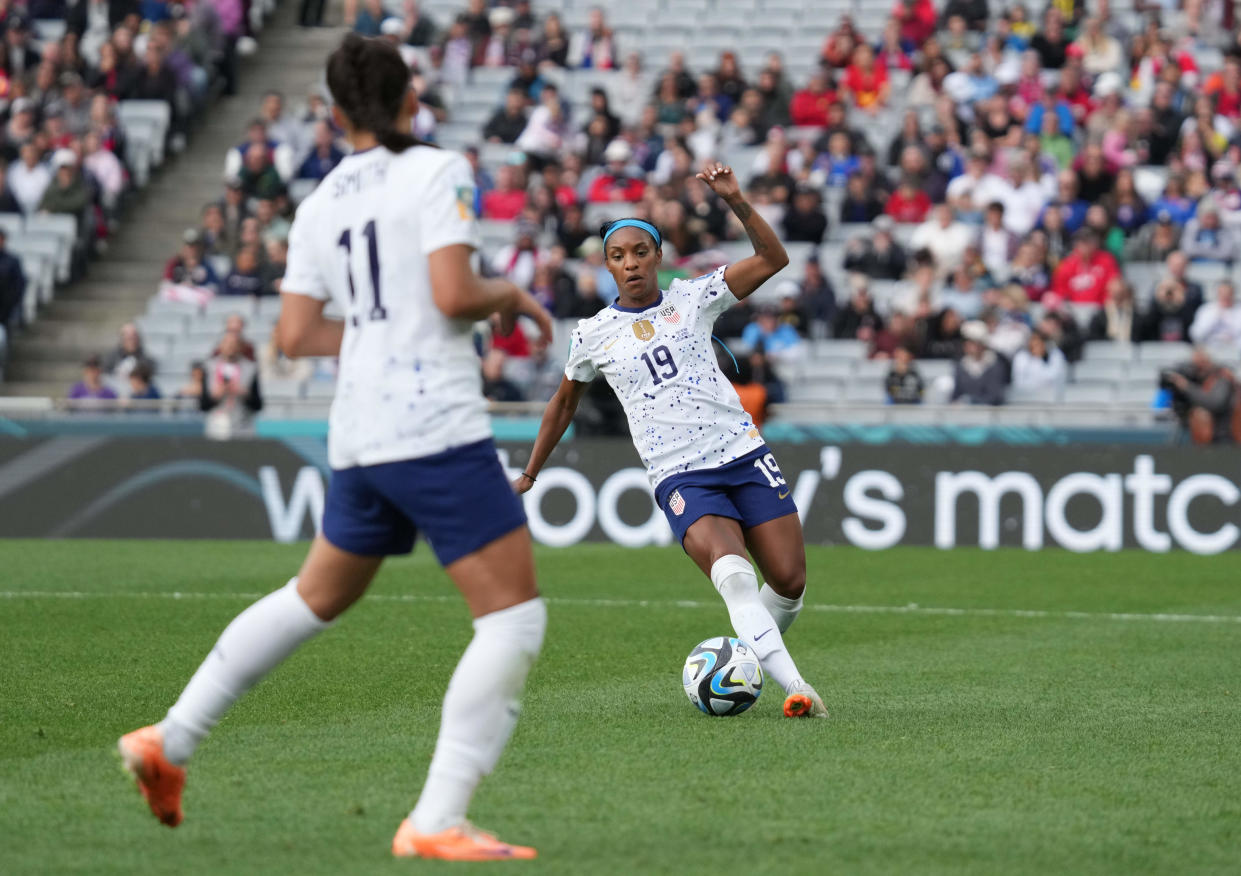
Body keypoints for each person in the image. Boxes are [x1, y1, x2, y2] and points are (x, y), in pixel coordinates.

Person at [117, 35, 554, 862]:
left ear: (335, 109)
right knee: (513, 617)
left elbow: (293, 333)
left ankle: (169, 742)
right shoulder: (435, 169)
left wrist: (382, 324)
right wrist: (514, 294)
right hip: (431, 422)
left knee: (312, 597)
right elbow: (456, 292)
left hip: (358, 428)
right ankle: (436, 819)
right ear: (407, 100)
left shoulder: (319, 203)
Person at [514, 164, 828, 721]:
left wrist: (735, 199)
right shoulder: (591, 334)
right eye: (617, 256)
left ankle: (740, 659)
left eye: (639, 251)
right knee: (733, 576)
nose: (629, 263)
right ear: (607, 264)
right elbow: (564, 402)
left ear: (657, 255)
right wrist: (531, 472)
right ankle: (797, 687)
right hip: (680, 474)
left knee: (789, 582)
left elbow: (776, 260)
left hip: (743, 453)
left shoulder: (694, 297)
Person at [1161, 349, 1239, 444]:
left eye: (1198, 366)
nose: (1196, 371)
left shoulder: (1222, 378)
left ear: (1206, 363)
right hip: (1206, 437)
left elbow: (1214, 403)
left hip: (1224, 437)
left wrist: (1186, 386)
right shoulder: (1200, 381)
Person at [951, 321, 1006, 405]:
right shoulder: (961, 365)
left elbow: (994, 397)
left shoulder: (994, 365)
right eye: (966, 342)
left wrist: (971, 401)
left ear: (982, 344)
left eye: (972, 342)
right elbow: (956, 393)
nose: (967, 345)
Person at [1189, 281, 1241, 350]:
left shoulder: (1239, 310)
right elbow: (1195, 334)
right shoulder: (1206, 309)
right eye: (1222, 293)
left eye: (1228, 293)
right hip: (1209, 351)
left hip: (1236, 351)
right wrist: (1214, 317)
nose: (1225, 296)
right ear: (1217, 294)